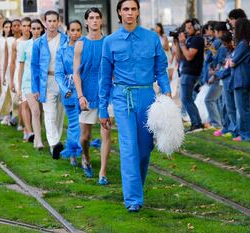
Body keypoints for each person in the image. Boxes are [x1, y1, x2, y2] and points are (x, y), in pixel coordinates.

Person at [99, 0, 171, 212]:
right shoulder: (110, 41)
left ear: (138, 12)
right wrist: (103, 109)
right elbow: (104, 78)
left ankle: (135, 187)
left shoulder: (151, 38)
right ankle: (133, 199)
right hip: (122, 98)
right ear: (119, 13)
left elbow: (161, 67)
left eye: (133, 9)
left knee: (144, 148)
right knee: (129, 146)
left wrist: (166, 91)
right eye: (125, 9)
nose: (130, 13)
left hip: (147, 96)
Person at [73, 7, 112, 183]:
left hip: (106, 94)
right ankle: (86, 158)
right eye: (91, 18)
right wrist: (80, 96)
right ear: (86, 22)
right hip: (87, 95)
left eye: (97, 17)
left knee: (106, 133)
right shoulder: (80, 44)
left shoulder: (108, 42)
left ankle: (102, 173)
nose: (95, 20)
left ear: (101, 20)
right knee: (85, 137)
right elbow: (76, 73)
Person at [31, 10, 67, 159]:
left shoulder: (66, 39)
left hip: (63, 82)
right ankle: (54, 143)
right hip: (46, 81)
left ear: (58, 22)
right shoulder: (39, 42)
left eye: (54, 21)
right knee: (49, 114)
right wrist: (35, 88)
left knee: (59, 115)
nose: (52, 24)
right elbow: (34, 66)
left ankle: (55, 145)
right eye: (49, 21)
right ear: (45, 23)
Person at [55, 20, 83, 166]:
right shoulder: (61, 50)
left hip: (85, 91)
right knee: (73, 123)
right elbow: (58, 74)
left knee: (84, 124)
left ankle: (81, 151)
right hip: (69, 91)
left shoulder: (86, 47)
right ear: (67, 32)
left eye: (78, 30)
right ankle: (73, 152)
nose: (75, 33)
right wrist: (65, 89)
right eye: (72, 30)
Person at [228, 18, 250, 142]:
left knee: (243, 108)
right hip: (241, 78)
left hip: (241, 79)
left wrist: (229, 61)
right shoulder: (244, 43)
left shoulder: (243, 44)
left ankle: (246, 134)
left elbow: (232, 62)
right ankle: (244, 132)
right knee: (244, 108)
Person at [175, 18, 205, 131]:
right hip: (185, 72)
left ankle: (196, 123)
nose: (187, 30)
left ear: (196, 27)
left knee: (186, 98)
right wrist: (178, 42)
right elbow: (179, 57)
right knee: (186, 99)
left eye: (189, 27)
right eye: (186, 28)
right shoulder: (190, 39)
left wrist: (182, 42)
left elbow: (189, 56)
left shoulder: (197, 39)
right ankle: (196, 123)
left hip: (191, 73)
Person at [21, 18, 45, 148]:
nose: (35, 31)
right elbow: (21, 66)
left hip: (42, 82)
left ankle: (38, 137)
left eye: (38, 28)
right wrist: (18, 86)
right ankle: (39, 141)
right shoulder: (24, 45)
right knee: (35, 110)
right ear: (30, 29)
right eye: (33, 28)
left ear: (41, 29)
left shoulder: (45, 44)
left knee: (40, 112)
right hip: (28, 82)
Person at [0, 19, 22, 125]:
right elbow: (5, 59)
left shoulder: (24, 40)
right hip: (10, 70)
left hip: (21, 69)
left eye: (19, 25)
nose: (17, 27)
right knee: (12, 94)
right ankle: (12, 115)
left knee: (19, 94)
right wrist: (3, 75)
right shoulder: (8, 41)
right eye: (14, 26)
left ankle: (17, 117)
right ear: (12, 28)